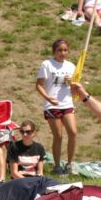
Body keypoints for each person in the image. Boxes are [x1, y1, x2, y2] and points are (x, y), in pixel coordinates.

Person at [35, 39, 77, 175]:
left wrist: (72, 83)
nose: (62, 53)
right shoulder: (47, 64)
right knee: (58, 136)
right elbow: (39, 85)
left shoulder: (71, 66)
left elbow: (76, 88)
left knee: (73, 132)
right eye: (60, 50)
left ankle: (70, 164)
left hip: (67, 103)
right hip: (52, 105)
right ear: (54, 51)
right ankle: (57, 165)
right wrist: (48, 98)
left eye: (65, 50)